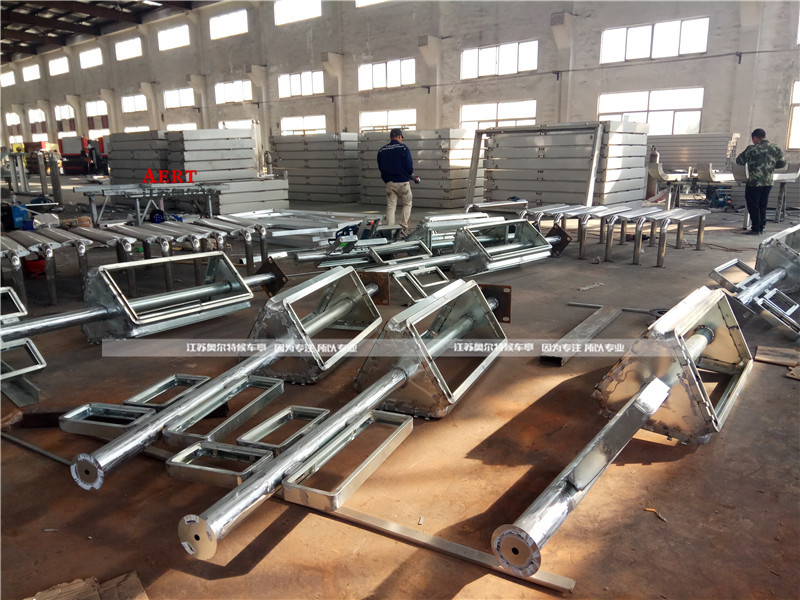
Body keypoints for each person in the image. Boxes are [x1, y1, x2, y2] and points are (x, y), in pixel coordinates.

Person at [735, 128, 786, 235]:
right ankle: (761, 227)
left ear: (754, 138)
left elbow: (739, 160)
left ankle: (755, 229)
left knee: (753, 205)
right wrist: (769, 165)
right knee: (763, 205)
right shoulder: (775, 148)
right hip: (768, 182)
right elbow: (782, 163)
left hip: (754, 182)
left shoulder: (752, 149)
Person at [377, 128, 414, 236]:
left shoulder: (382, 150)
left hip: (389, 182)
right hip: (403, 182)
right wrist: (409, 174)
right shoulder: (403, 148)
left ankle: (390, 230)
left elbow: (380, 167)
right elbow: (409, 165)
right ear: (399, 137)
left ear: (390, 137)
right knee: (407, 203)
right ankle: (402, 228)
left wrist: (386, 179)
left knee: (391, 206)